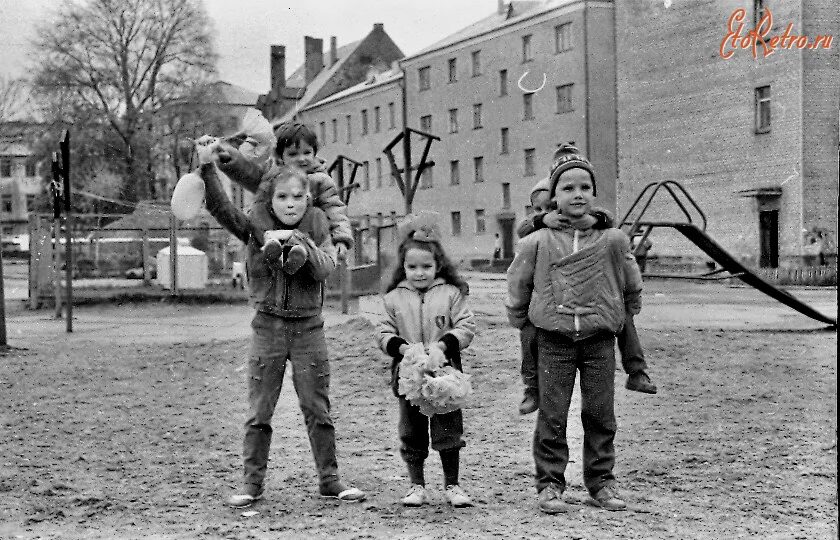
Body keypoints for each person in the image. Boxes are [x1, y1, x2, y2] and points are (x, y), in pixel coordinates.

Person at [193, 147, 365, 508]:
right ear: (270, 199)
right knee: (260, 411)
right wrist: (208, 168)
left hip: (309, 330)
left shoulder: (320, 227)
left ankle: (330, 480)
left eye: (298, 197)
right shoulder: (256, 228)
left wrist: (302, 244)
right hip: (267, 329)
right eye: (282, 197)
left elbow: (325, 270)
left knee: (317, 408)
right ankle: (252, 484)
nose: (291, 204)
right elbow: (222, 208)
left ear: (308, 198)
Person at [506, 143, 643, 514]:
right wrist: (521, 317)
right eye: (567, 188)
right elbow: (518, 283)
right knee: (553, 413)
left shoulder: (612, 239)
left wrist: (626, 310)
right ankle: (550, 484)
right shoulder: (537, 240)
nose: (577, 194)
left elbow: (631, 279)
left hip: (599, 338)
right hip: (554, 340)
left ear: (594, 192)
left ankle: (601, 483)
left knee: (600, 413)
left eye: (584, 186)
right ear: (553, 196)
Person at [515, 174, 656, 416]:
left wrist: (592, 220)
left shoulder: (597, 224)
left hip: (598, 295)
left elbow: (607, 221)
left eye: (546, 207)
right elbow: (523, 231)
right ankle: (532, 387)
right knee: (529, 335)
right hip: (552, 301)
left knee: (623, 320)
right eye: (538, 208)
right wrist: (541, 219)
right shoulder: (540, 229)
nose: (545, 212)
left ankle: (636, 369)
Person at [378, 213, 477, 508]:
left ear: (438, 265)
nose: (419, 273)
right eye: (412, 267)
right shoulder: (393, 298)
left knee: (448, 429)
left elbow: (466, 326)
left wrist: (444, 346)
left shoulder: (451, 294)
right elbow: (383, 331)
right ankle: (416, 485)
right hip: (409, 377)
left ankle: (452, 484)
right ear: (403, 267)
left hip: (444, 376)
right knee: (411, 431)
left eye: (426, 267)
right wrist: (402, 348)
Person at [215, 122, 354, 261]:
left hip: (307, 240)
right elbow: (249, 173)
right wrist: (230, 158)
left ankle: (294, 253)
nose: (302, 159)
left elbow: (335, 210)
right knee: (258, 210)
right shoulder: (273, 177)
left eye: (307, 153)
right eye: (293, 154)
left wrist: (340, 239)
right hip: (272, 235)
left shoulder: (320, 181)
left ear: (314, 153)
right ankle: (273, 251)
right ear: (281, 157)